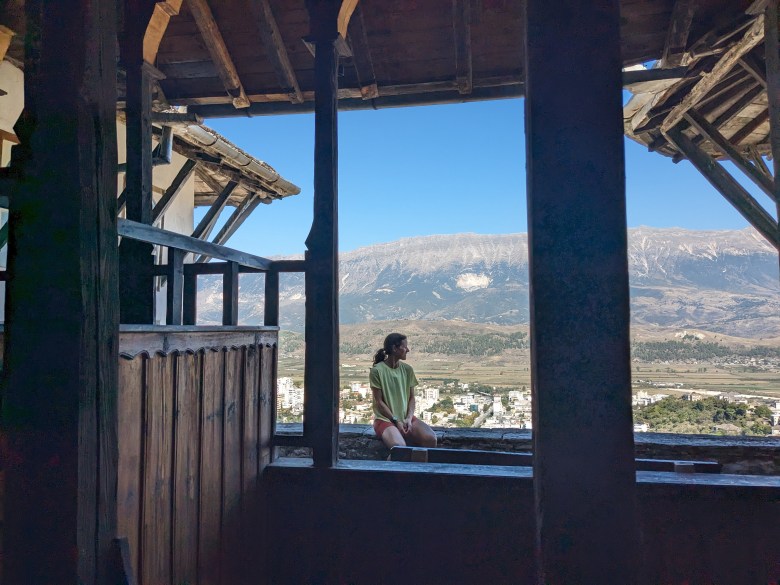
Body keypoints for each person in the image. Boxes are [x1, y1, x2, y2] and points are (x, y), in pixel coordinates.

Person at [369, 333, 437, 451]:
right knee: (400, 449)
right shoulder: (377, 371)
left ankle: (418, 468)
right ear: (395, 348)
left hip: (406, 418)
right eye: (405, 347)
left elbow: (412, 398)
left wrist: (409, 418)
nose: (408, 350)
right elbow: (379, 402)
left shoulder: (407, 370)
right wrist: (396, 420)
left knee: (431, 439)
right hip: (385, 419)